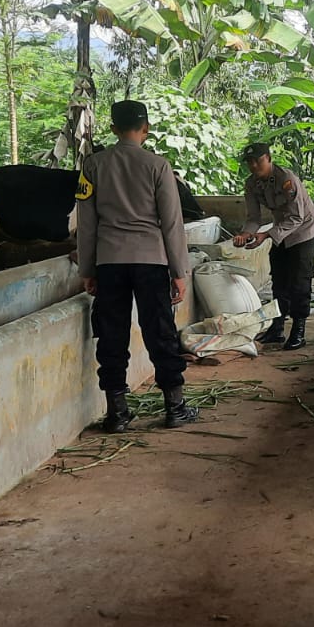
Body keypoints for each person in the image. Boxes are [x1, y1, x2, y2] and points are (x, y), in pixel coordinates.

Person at [77, 100, 198, 433]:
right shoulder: (158, 166)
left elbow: (86, 223)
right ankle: (175, 407)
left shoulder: (93, 166)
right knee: (160, 331)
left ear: (114, 129)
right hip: (151, 262)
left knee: (112, 335)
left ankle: (117, 413)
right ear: (145, 128)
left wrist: (87, 269)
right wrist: (179, 272)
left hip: (110, 263)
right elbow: (172, 223)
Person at [233, 143, 314, 350]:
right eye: (250, 162)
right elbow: (253, 217)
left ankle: (299, 329)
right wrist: (246, 233)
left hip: (303, 232)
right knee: (279, 281)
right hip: (280, 232)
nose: (254, 166)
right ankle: (277, 327)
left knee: (299, 282)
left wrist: (266, 235)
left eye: (258, 160)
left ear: (269, 158)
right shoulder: (252, 184)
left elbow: (297, 217)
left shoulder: (286, 179)